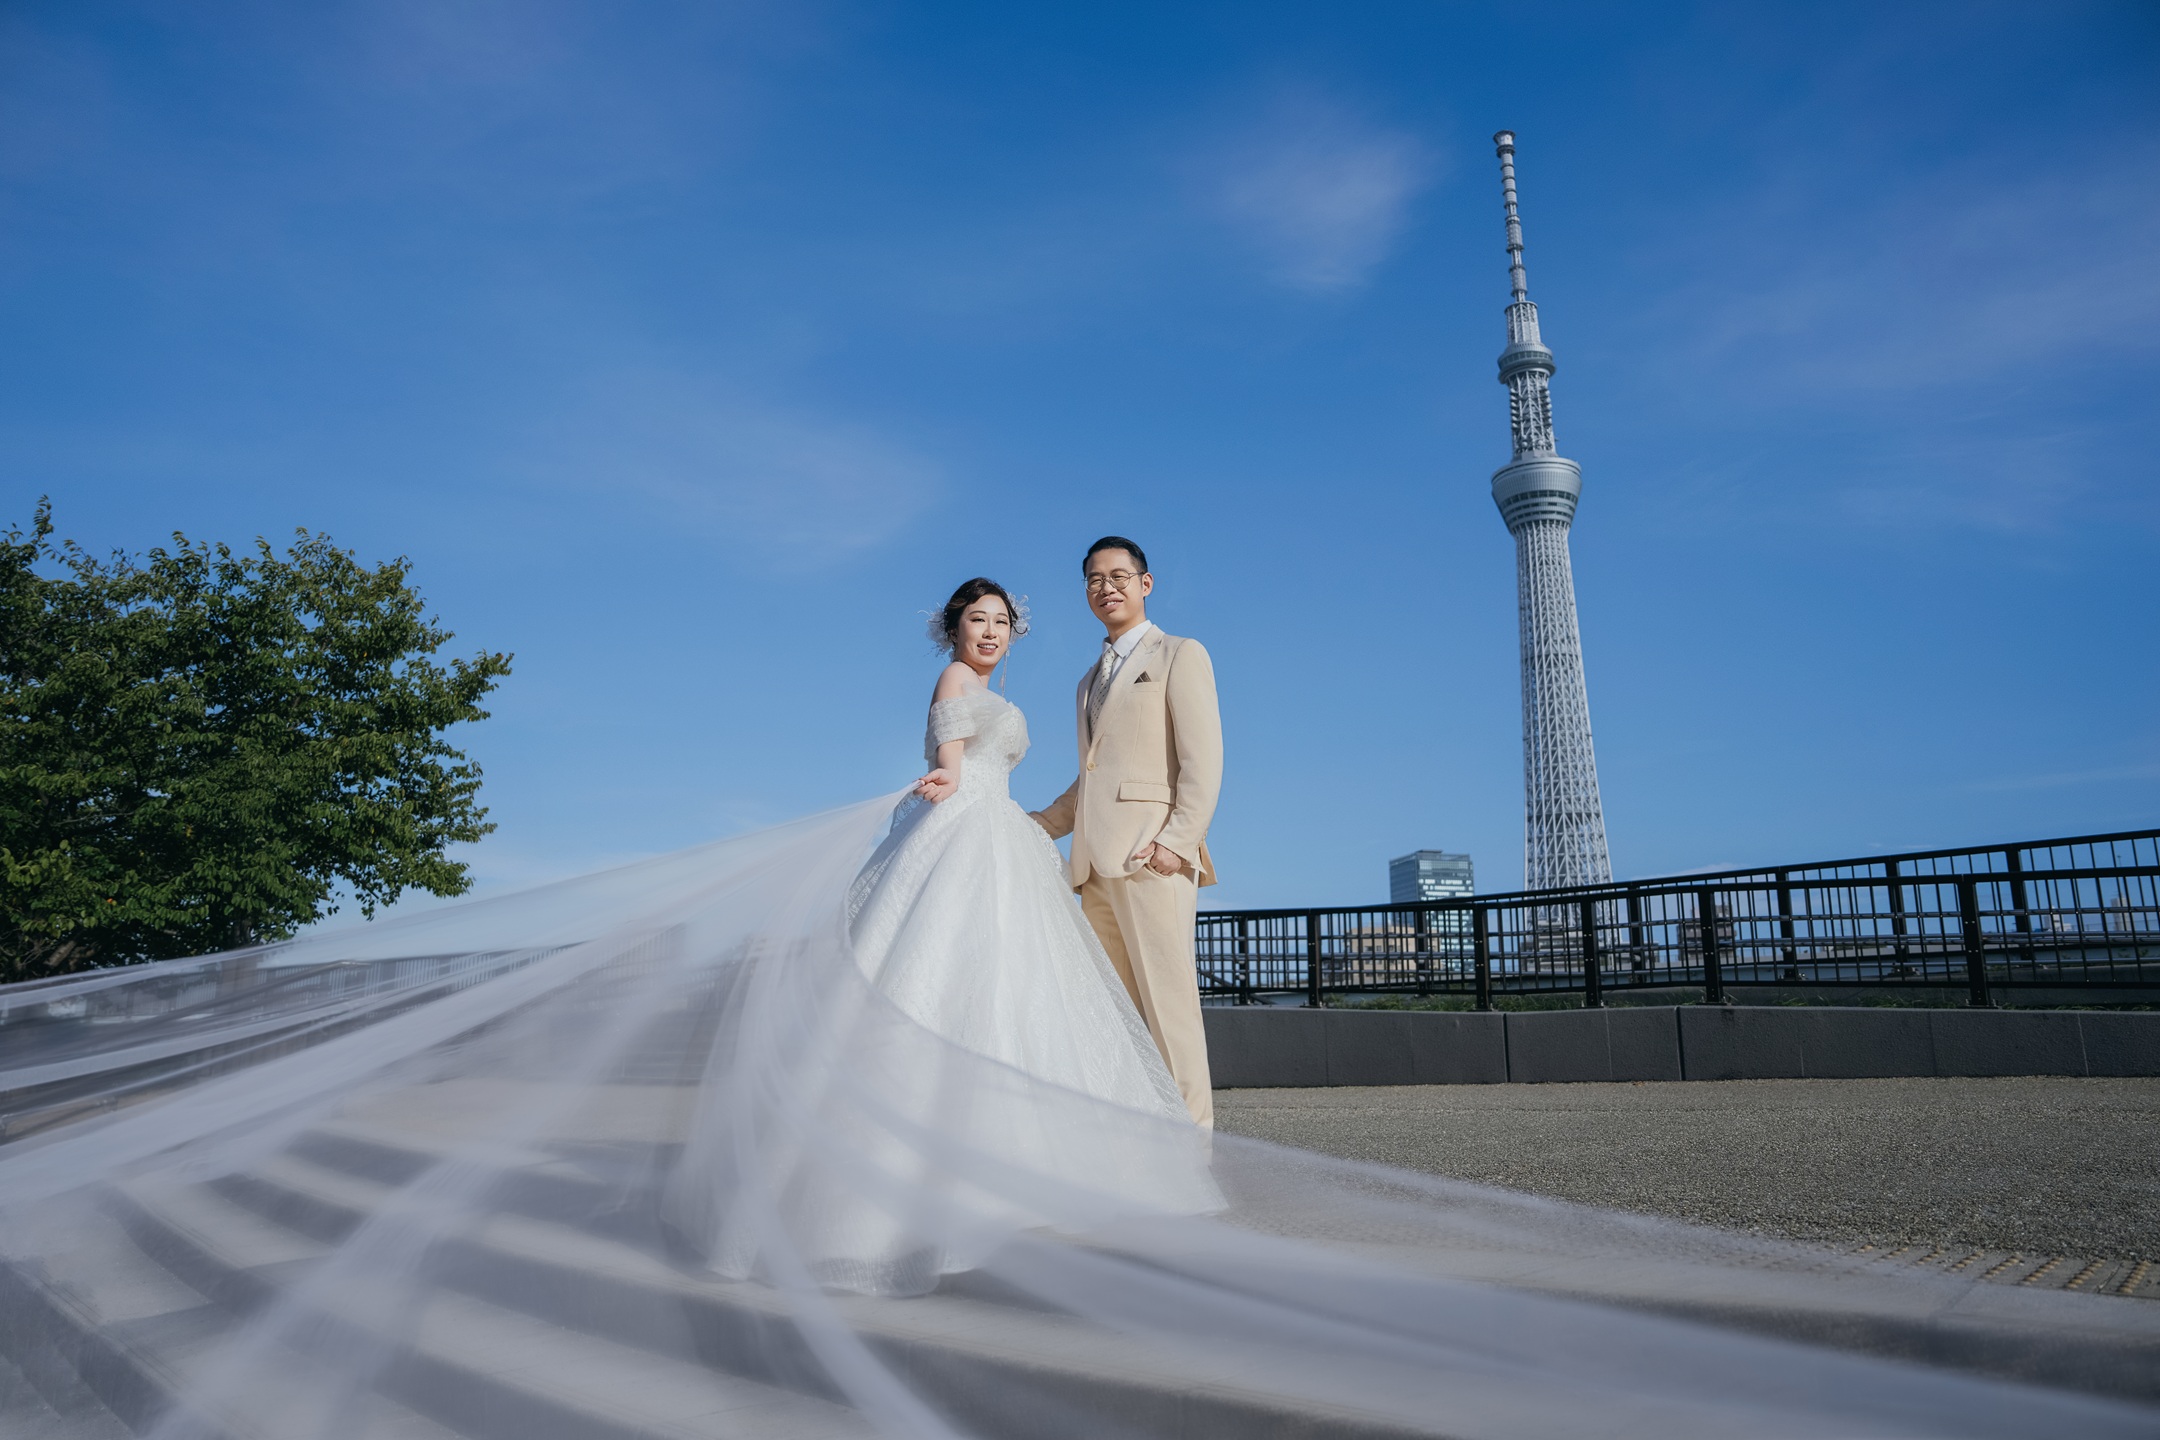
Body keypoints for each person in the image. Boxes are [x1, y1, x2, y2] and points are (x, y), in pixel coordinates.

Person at [1031, 537, 1222, 1127]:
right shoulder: (1089, 680)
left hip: (1150, 861)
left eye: (1118, 576)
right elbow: (1092, 779)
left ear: (1146, 583)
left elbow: (1203, 760)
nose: (1105, 587)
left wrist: (1175, 843)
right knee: (1115, 1020)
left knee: (1170, 1014)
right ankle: (1143, 1153)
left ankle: (1196, 1153)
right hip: (1093, 872)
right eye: (1093, 579)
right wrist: (1033, 826)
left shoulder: (1180, 654)